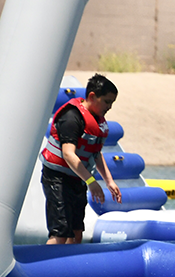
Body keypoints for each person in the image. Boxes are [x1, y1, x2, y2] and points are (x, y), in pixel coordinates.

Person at [40, 73, 122, 244]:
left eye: (112, 103)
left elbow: (95, 152)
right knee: (60, 233)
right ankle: (48, 268)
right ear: (92, 96)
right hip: (58, 179)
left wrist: (109, 181)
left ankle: (70, 270)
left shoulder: (96, 122)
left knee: (77, 234)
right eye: (107, 101)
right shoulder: (72, 117)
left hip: (76, 179)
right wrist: (91, 181)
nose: (109, 107)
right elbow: (68, 154)